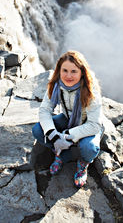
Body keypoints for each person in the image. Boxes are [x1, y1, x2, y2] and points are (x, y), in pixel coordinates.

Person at [32, 50, 104, 188]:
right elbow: (44, 110)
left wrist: (66, 136)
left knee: (89, 148)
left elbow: (94, 125)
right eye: (65, 70)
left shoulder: (90, 89)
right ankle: (60, 153)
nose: (68, 76)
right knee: (38, 131)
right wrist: (54, 136)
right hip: (68, 119)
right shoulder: (55, 84)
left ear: (82, 72)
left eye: (74, 71)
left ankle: (83, 163)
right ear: (59, 70)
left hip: (88, 124)